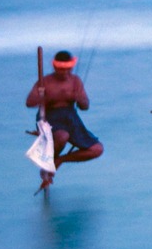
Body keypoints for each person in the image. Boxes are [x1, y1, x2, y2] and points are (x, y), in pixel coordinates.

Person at [25, 50, 103, 190]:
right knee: (62, 136)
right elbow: (29, 102)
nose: (64, 73)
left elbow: (85, 106)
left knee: (97, 149)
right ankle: (47, 164)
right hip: (50, 117)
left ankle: (59, 160)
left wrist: (80, 98)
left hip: (70, 117)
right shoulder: (45, 82)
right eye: (61, 69)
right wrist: (45, 97)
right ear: (55, 67)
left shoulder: (75, 81)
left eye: (67, 69)